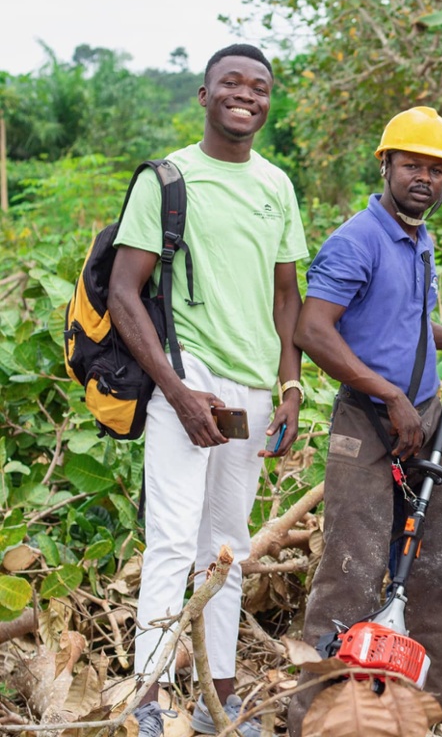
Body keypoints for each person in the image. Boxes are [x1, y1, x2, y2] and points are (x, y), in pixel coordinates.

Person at [109, 44, 308, 737]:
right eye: (231, 83)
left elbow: (287, 297)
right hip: (186, 381)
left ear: (267, 101)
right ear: (204, 95)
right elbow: (123, 292)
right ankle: (153, 700)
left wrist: (289, 386)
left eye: (258, 86)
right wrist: (178, 390)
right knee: (170, 540)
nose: (245, 95)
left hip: (253, 392)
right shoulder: (167, 179)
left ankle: (218, 701)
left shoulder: (276, 186)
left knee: (227, 545)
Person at [286, 107, 442, 735]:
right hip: (368, 424)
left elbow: (409, 324)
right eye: (411, 166)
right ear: (386, 166)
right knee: (351, 570)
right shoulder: (357, 239)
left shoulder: (419, 238)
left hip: (422, 418)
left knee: (431, 574)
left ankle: (424, 715)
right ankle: (313, 720)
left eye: (436, 169)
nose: (423, 179)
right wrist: (389, 396)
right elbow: (313, 330)